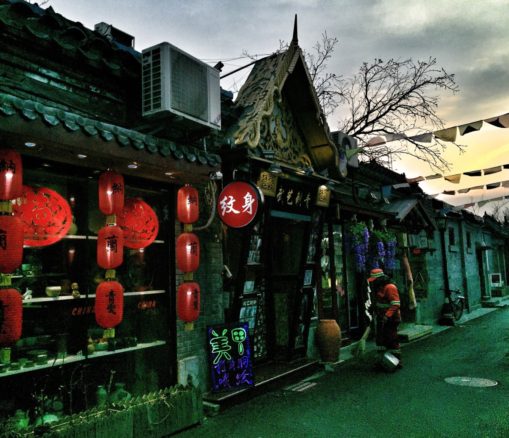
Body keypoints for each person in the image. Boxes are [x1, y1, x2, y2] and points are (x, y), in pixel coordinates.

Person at [367, 268, 402, 368]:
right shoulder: (380, 288)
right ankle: (383, 361)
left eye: (374, 281)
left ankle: (396, 361)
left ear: (379, 279)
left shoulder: (390, 287)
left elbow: (395, 304)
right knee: (381, 340)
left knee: (391, 339)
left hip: (391, 318)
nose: (373, 283)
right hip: (382, 317)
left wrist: (387, 316)